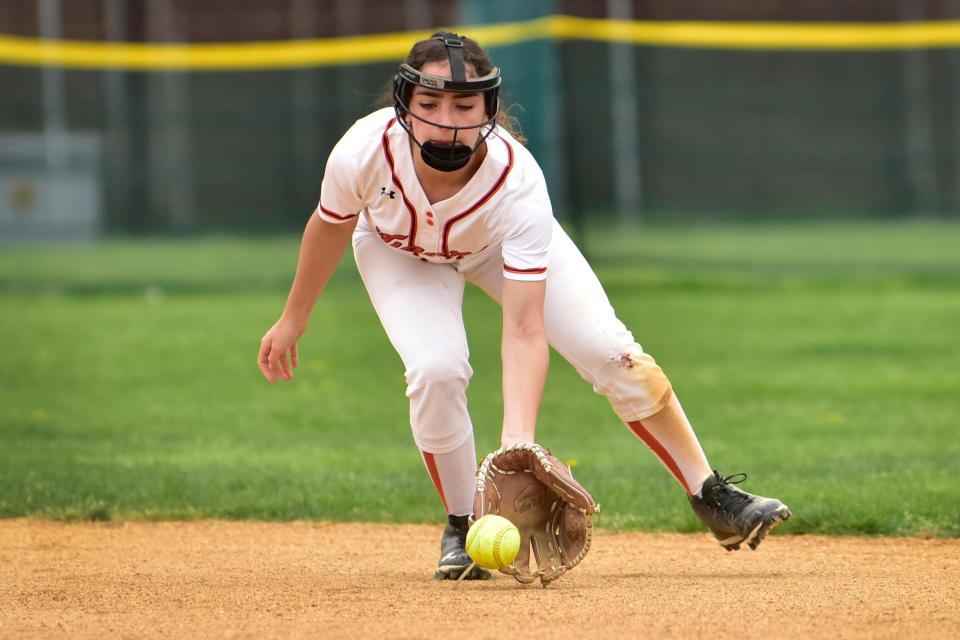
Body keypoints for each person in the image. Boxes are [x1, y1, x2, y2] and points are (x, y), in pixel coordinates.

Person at [258, 32, 791, 580]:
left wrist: (518, 442)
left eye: (465, 105)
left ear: (489, 108)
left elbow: (524, 327)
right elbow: (329, 226)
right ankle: (463, 527)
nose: (448, 120)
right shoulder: (363, 152)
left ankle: (710, 493)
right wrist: (294, 317)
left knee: (610, 352)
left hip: (494, 246)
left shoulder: (517, 182)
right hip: (401, 252)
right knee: (435, 370)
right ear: (404, 106)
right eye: (430, 103)